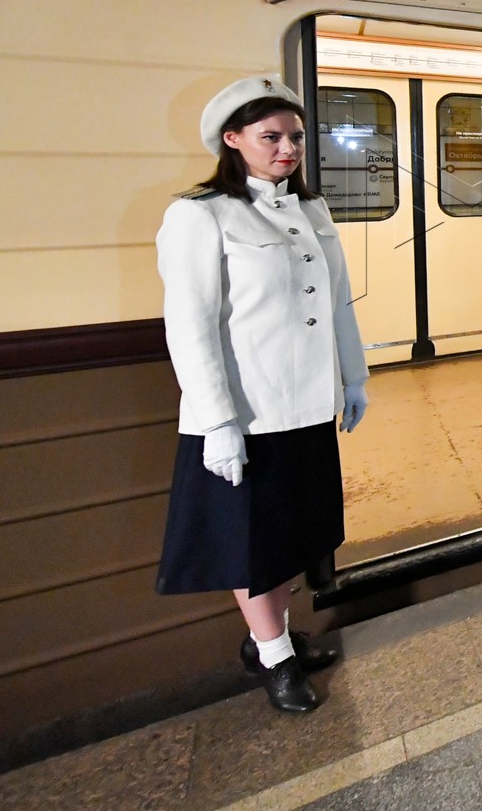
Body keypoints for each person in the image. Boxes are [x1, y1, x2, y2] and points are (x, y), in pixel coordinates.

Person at [154, 76, 369, 714]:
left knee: (290, 536)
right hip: (246, 416)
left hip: (304, 408)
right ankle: (272, 655)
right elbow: (189, 328)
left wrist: (352, 378)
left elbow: (336, 306)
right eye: (270, 137)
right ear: (232, 139)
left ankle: (274, 635)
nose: (287, 148)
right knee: (252, 544)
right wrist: (217, 423)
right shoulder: (199, 214)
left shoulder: (312, 211)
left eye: (295, 137)